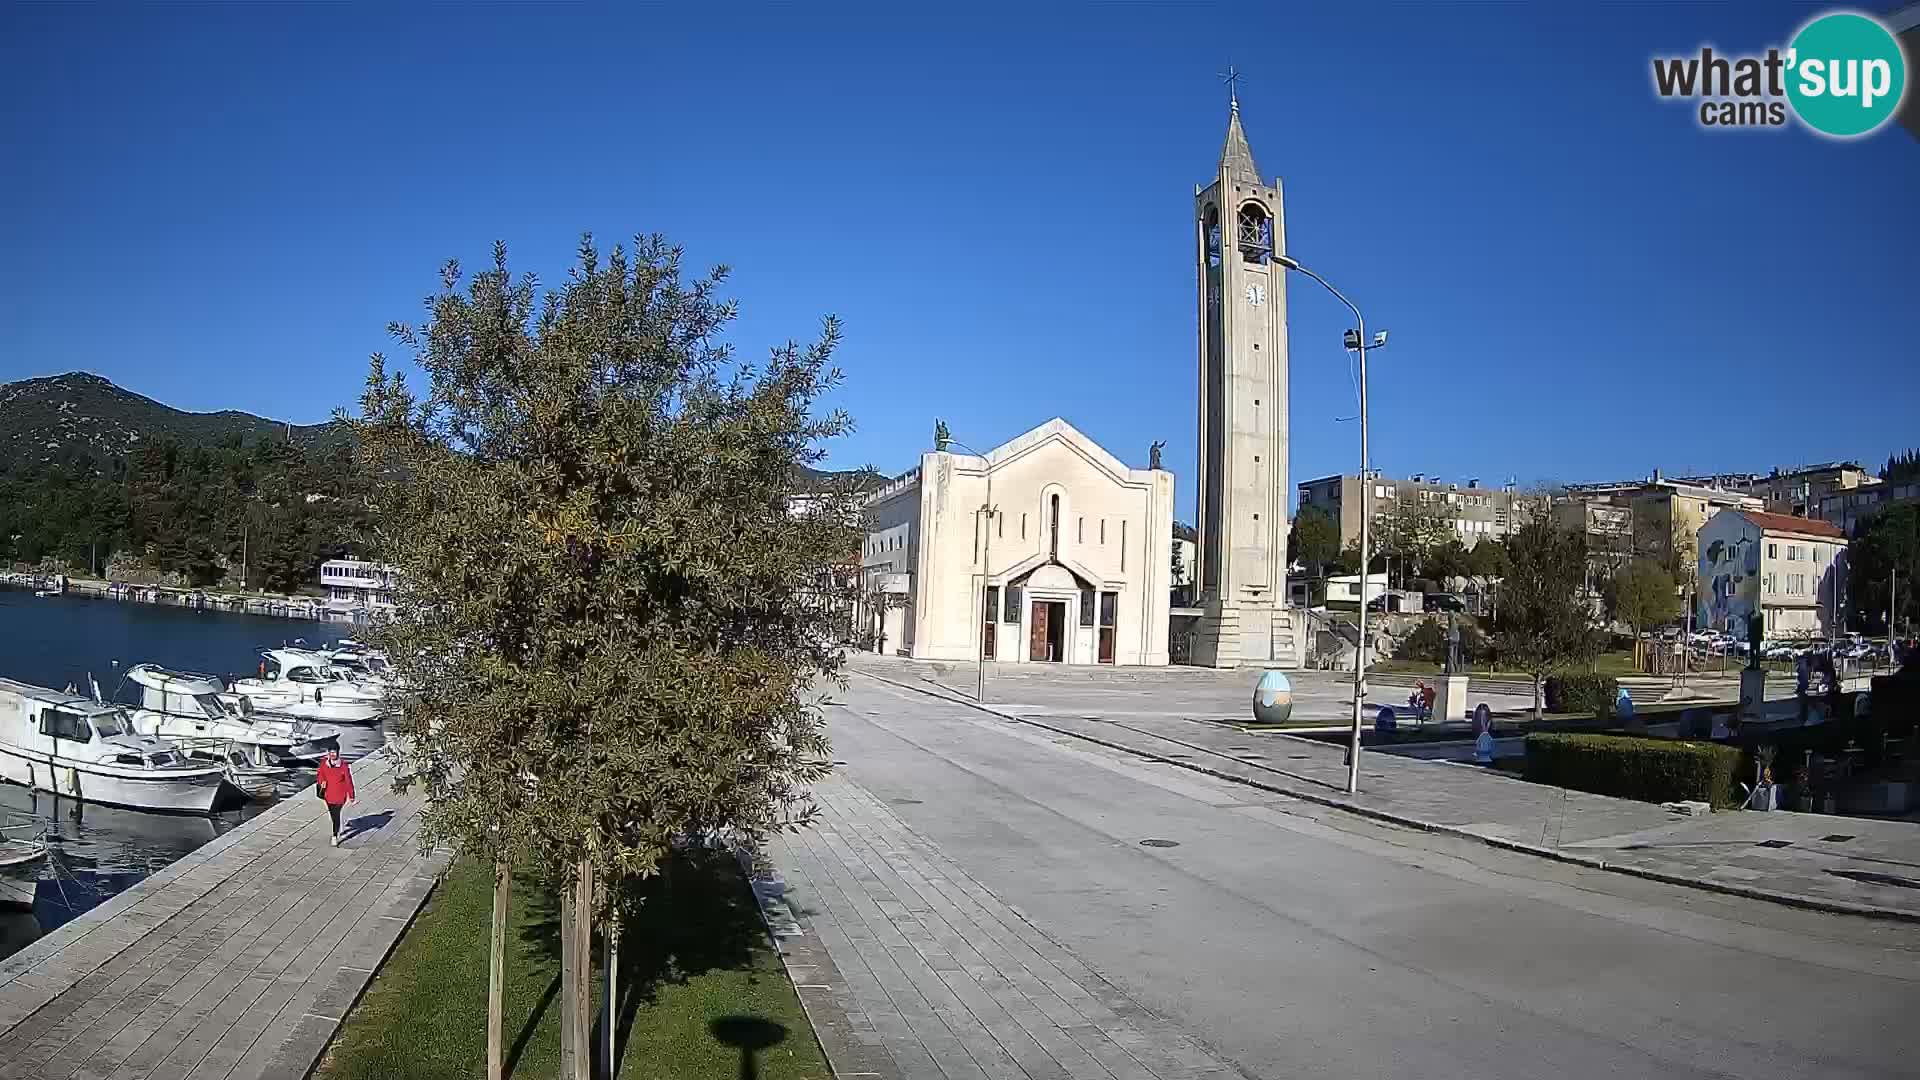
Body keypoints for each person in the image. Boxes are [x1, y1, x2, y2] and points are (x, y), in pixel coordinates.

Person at [315, 749, 355, 846]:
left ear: (338, 753)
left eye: (334, 752)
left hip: (340, 796)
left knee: (336, 815)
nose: (332, 754)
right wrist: (322, 781)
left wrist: (351, 795)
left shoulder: (343, 766)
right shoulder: (324, 763)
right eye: (330, 752)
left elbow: (348, 781)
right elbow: (320, 775)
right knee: (333, 815)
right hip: (328, 794)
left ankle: (334, 835)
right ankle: (336, 826)